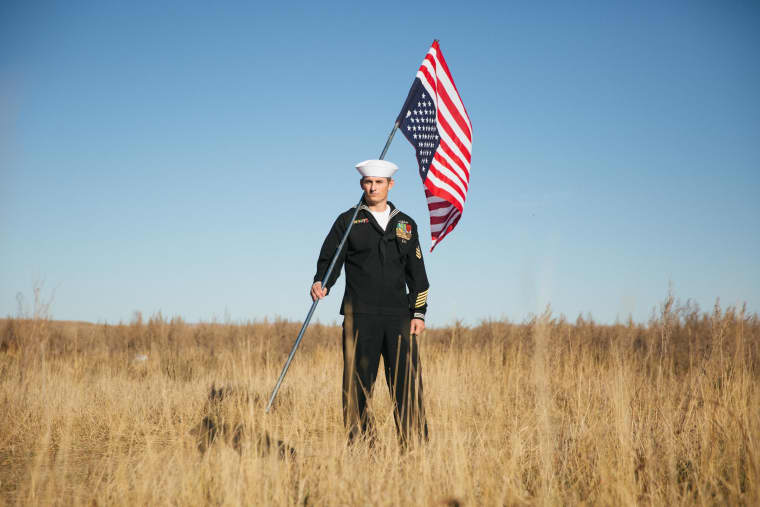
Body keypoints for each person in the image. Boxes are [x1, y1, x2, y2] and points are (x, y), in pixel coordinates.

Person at [311, 159, 429, 447]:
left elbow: (418, 276)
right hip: (359, 316)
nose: (373, 187)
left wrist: (419, 313)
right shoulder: (348, 220)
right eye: (368, 182)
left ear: (390, 185)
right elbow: (330, 259)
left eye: (378, 182)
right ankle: (364, 451)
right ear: (362, 185)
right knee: (357, 388)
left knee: (406, 386)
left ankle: (413, 450)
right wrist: (321, 282)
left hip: (399, 317)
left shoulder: (406, 224)